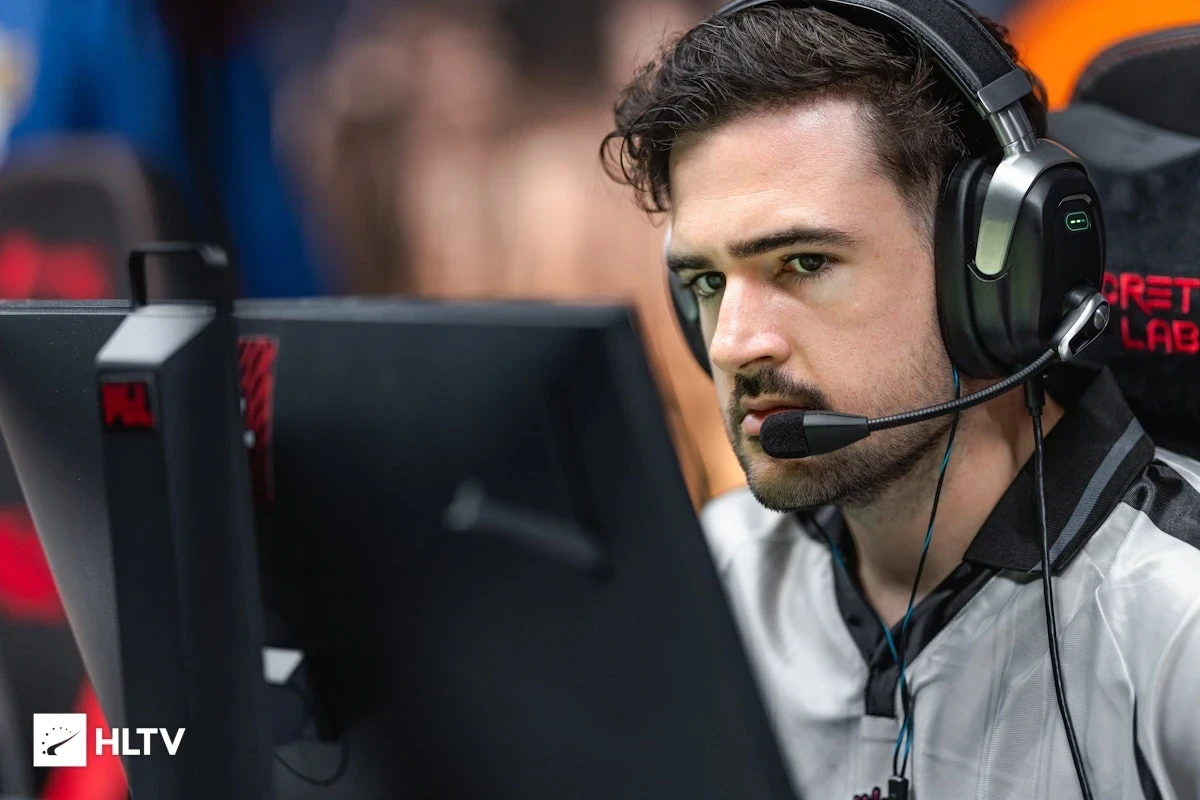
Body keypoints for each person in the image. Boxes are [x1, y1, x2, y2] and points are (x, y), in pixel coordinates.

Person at [601, 2, 1200, 799]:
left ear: (993, 273)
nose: (733, 345)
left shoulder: (1176, 624)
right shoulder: (711, 577)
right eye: (707, 281)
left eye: (804, 263)